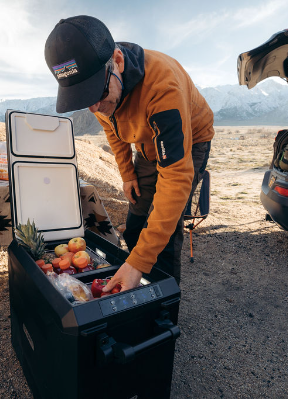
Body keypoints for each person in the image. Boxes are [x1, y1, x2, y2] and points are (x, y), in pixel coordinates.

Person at [44, 15, 214, 292]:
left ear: (118, 62)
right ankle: (137, 280)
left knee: (166, 230)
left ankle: (162, 303)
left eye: (96, 94)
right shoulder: (100, 91)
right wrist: (127, 174)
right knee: (136, 223)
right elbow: (113, 129)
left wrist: (140, 261)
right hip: (147, 145)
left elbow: (174, 177)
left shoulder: (162, 87)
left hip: (189, 143)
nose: (95, 107)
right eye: (84, 99)